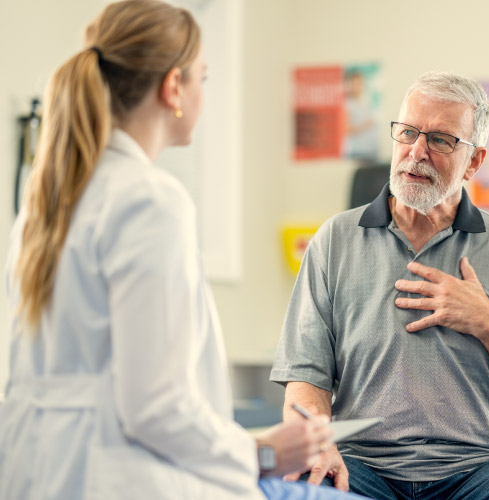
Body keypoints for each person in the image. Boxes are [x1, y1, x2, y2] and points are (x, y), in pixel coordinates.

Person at [0, 2, 368, 499]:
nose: (203, 93)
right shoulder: (149, 199)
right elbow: (155, 407)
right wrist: (262, 454)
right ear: (174, 88)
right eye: (203, 78)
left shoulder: (45, 203)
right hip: (122, 480)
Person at [271, 71, 489, 499]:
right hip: (365, 469)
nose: (417, 151)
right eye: (408, 132)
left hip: (483, 471)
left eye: (441, 140)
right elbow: (306, 381)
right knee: (290, 489)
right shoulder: (334, 240)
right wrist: (317, 446)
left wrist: (488, 321)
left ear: (475, 162)